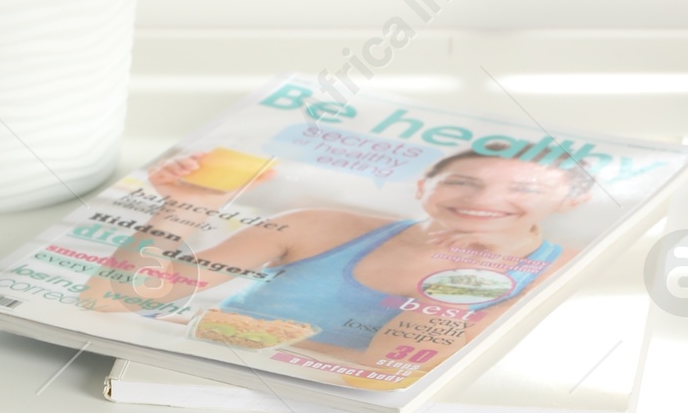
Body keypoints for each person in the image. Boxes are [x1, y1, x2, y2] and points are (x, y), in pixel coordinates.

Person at [92, 148, 594, 374]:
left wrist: (220, 327)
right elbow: (112, 298)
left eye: (523, 188)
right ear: (424, 188)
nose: (483, 199)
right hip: (197, 378)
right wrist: (187, 205)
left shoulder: (566, 269)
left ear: (569, 201)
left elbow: (389, 372)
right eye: (463, 181)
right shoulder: (317, 226)